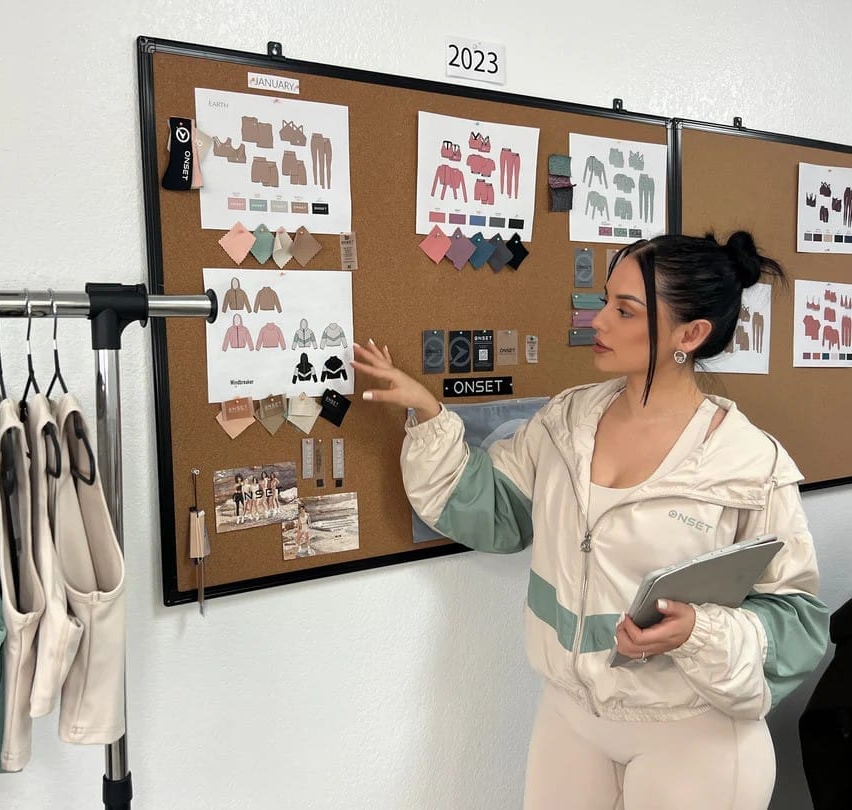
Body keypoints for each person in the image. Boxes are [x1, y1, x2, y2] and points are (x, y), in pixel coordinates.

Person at [353, 231, 829, 810]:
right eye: (605, 300)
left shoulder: (750, 465)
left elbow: (798, 624)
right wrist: (428, 414)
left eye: (624, 310)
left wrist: (698, 632)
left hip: (693, 735)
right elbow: (497, 515)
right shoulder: (566, 423)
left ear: (691, 334)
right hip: (570, 718)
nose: (596, 321)